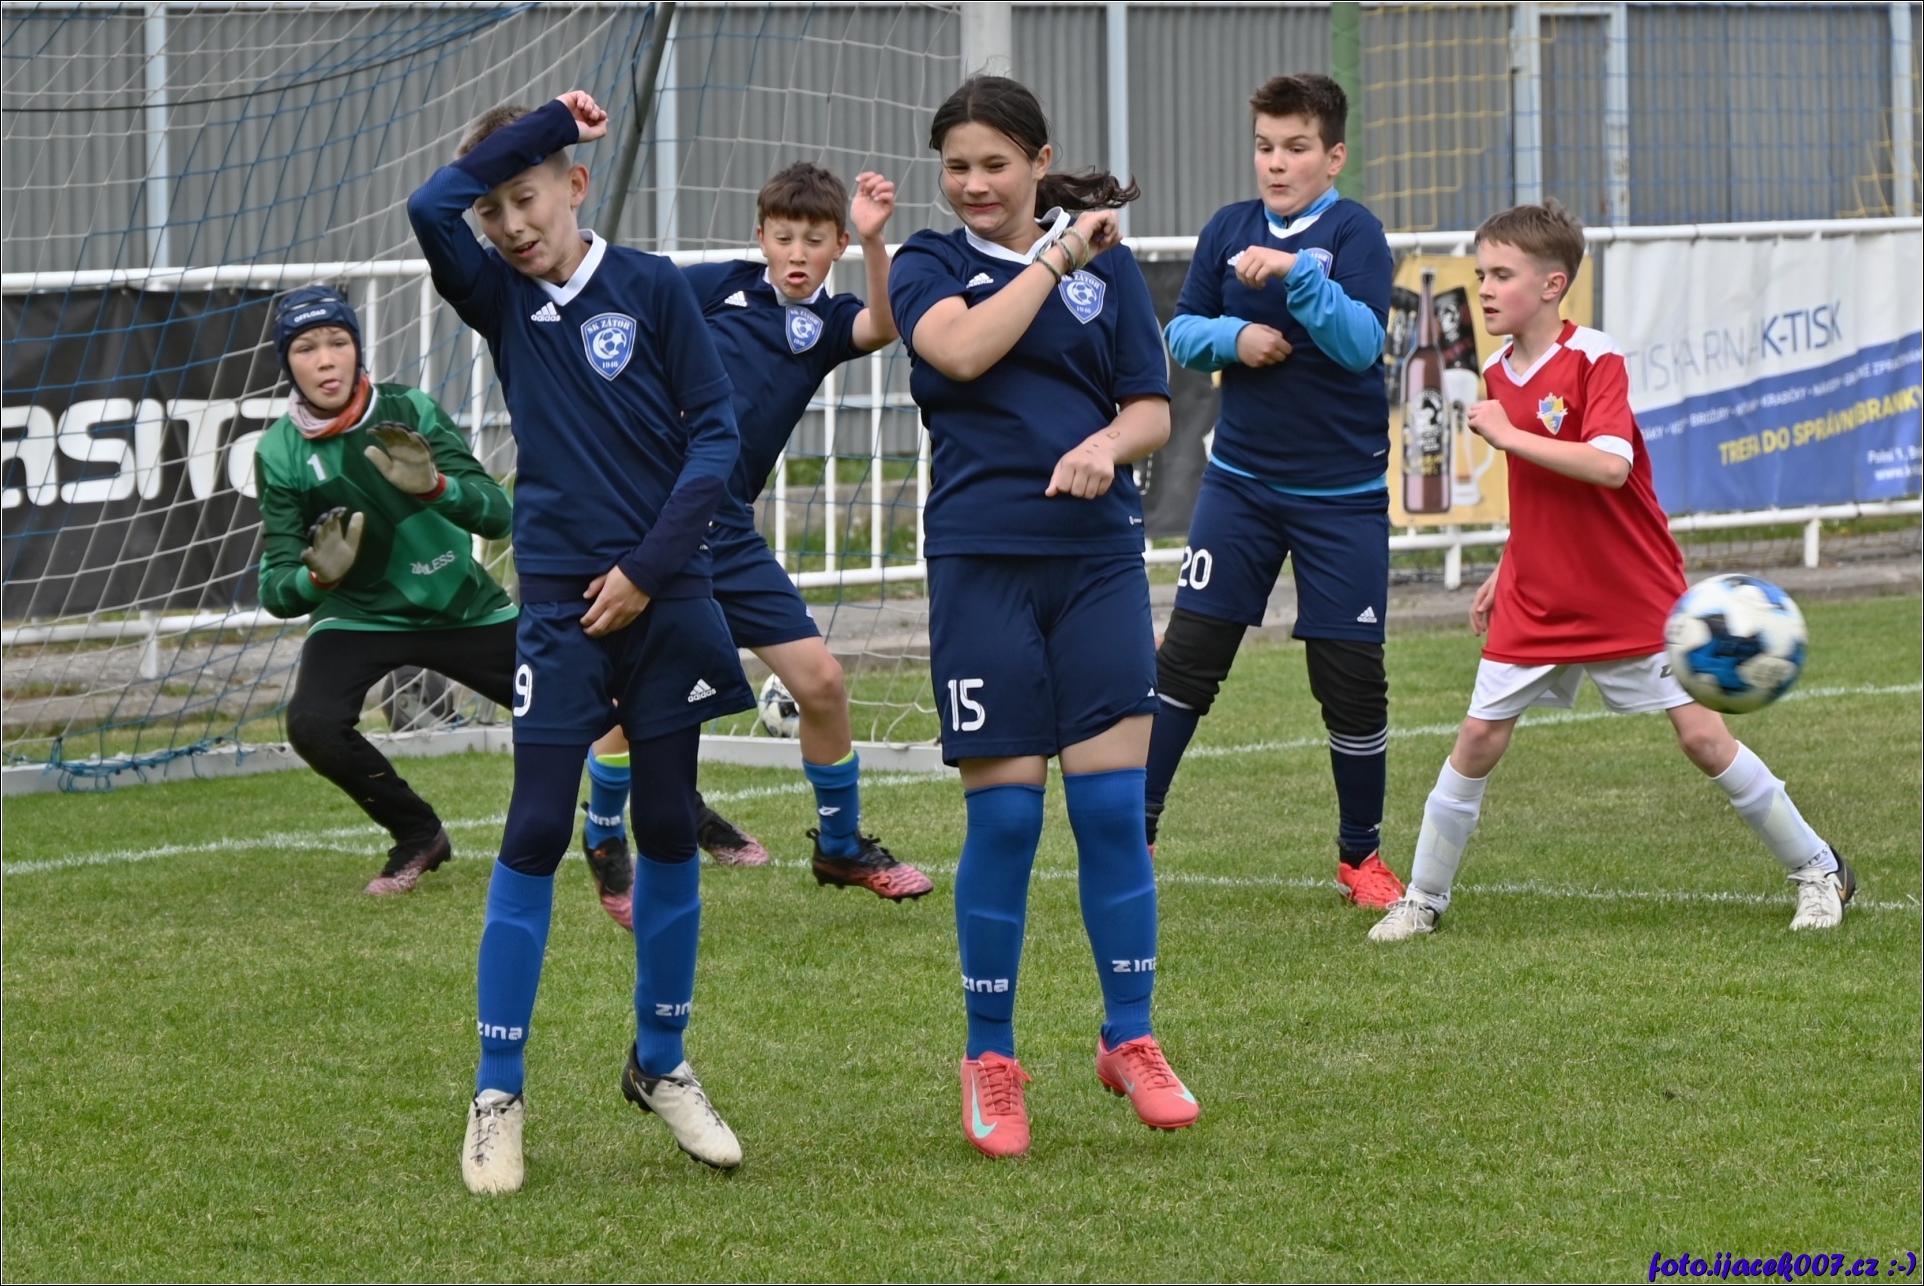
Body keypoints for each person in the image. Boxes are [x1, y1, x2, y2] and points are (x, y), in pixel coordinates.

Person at [408, 89, 757, 1194]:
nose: (511, 225)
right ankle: (496, 1093)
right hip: (559, 605)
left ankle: (662, 1061)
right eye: (495, 207)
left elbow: (717, 436)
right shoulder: (498, 298)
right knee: (534, 827)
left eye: (529, 196)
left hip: (668, 591)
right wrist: (543, 120)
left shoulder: (652, 286)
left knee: (667, 823)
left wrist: (649, 569)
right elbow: (428, 207)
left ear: (576, 183)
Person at [1368, 200, 1856, 942]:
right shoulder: (1496, 369)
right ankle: (1424, 898)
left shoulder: (1597, 358)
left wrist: (1507, 433)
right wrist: (1509, 561)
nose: (1485, 289)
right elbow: (1539, 490)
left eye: (1502, 275)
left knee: (1702, 739)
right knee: (1477, 740)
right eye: (1481, 273)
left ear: (1552, 284)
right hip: (1539, 593)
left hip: (1631, 589)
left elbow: (1607, 465)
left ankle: (1820, 869)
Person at [889, 75, 1199, 1159]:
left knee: (1111, 813)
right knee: (1008, 823)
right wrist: (1059, 254)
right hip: (981, 568)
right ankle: (990, 1056)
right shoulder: (928, 264)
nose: (974, 184)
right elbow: (964, 350)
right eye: (957, 166)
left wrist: (1105, 444)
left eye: (994, 164)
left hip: (1097, 565)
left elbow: (1150, 408)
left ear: (1038, 160)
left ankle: (1131, 1036)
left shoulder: (1107, 270)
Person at [579, 161, 934, 906]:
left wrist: (877, 241)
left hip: (729, 530)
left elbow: (882, 325)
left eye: (815, 239)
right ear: (761, 237)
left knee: (822, 683)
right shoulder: (714, 286)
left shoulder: (827, 323)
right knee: (639, 698)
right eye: (784, 237)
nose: (798, 254)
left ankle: (840, 847)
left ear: (836, 244)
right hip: (657, 518)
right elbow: (626, 312)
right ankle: (605, 835)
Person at [1150, 73, 1407, 909]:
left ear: (1333, 157)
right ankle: (1134, 831)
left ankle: (1360, 857)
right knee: (1189, 659)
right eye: (1265, 146)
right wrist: (1237, 338)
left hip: (1343, 497)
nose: (1276, 163)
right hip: (1242, 488)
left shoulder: (1356, 232)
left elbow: (1361, 342)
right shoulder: (1227, 227)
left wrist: (1298, 274)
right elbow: (1183, 330)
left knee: (1351, 676)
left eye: (1296, 148)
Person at [256, 286, 518, 895]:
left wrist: (436, 488)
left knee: (583, 708)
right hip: (360, 614)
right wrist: (318, 578)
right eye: (305, 348)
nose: (326, 360)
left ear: (358, 349)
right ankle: (417, 834)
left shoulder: (410, 409)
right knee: (313, 725)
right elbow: (276, 589)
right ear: (287, 364)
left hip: (459, 603)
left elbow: (498, 514)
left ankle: (690, 819)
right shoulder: (280, 452)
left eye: (338, 342)